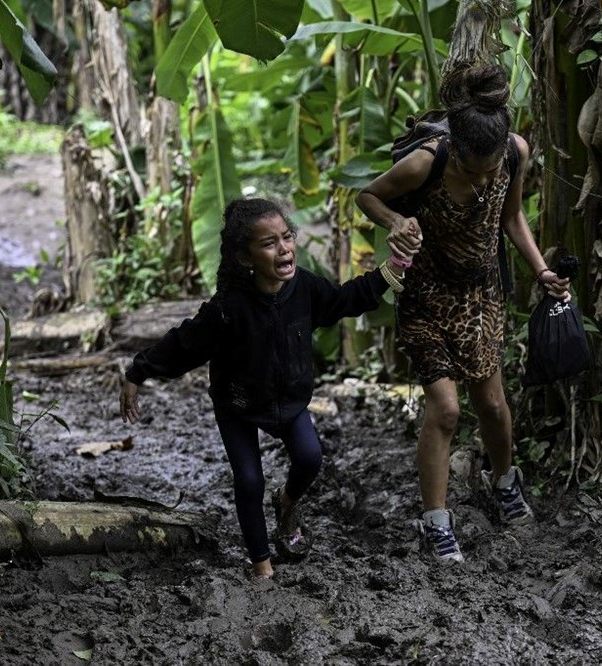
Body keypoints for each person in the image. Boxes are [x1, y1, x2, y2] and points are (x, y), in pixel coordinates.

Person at [119, 197, 421, 579]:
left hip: (289, 401)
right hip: (238, 403)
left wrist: (394, 267)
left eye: (287, 237)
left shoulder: (306, 289)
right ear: (246, 258)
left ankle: (287, 502)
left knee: (310, 458)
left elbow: (346, 299)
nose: (284, 248)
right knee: (248, 480)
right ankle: (262, 566)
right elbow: (185, 343)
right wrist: (137, 372)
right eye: (269, 243)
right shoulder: (229, 307)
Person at [356, 64, 571, 563]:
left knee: (493, 405)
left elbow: (512, 215)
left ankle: (504, 482)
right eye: (471, 170)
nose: (482, 179)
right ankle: (436, 522)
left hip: (481, 295)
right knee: (447, 409)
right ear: (457, 151)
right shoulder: (426, 161)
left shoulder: (514, 153)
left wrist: (540, 272)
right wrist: (395, 220)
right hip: (425, 295)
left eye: (489, 169)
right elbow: (367, 195)